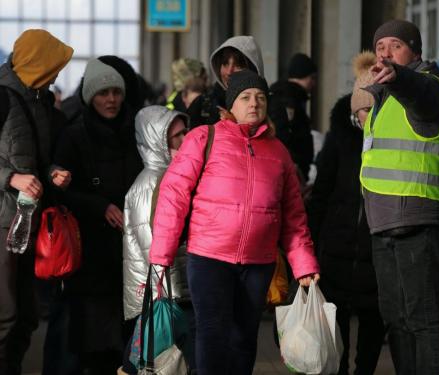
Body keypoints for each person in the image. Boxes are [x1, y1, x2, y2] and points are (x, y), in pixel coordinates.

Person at [149, 70, 320, 375]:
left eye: (260, 97)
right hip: (209, 258)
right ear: (230, 106)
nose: (254, 103)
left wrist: (304, 264)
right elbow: (173, 196)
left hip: (258, 263)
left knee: (243, 340)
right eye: (245, 97)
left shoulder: (279, 152)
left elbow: (294, 216)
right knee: (212, 336)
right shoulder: (204, 138)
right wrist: (161, 254)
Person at [361, 20, 439, 374]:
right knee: (396, 320)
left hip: (418, 220)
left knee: (423, 319)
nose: (385, 52)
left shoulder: (427, 85)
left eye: (395, 44)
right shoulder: (384, 98)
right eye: (380, 45)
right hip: (384, 223)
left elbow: (419, 94)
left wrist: (398, 76)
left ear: (414, 51)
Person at [53, 58, 143, 374]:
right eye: (103, 93)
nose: (111, 100)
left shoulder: (137, 130)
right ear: (91, 96)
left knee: (127, 335)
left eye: (116, 92)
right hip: (90, 254)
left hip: (130, 251)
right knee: (93, 343)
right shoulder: (74, 134)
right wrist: (99, 206)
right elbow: (61, 191)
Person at [0, 29, 73, 375]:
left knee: (27, 315)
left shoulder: (39, 100)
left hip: (26, 220)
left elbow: (36, 160)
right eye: (53, 65)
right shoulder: (2, 97)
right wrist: (10, 178)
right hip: (3, 222)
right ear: (35, 63)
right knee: (5, 315)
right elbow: (16, 168)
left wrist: (52, 171)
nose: (57, 73)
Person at [308, 51, 385, 375]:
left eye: (375, 109)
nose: (370, 116)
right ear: (355, 110)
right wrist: (310, 245)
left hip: (374, 244)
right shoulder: (340, 139)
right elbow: (322, 191)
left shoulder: (389, 138)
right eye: (365, 110)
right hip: (339, 246)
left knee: (372, 322)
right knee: (335, 321)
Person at [121, 105, 189, 374]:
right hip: (163, 293)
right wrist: (176, 293)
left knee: (150, 356)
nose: (186, 140)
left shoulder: (169, 176)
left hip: (165, 292)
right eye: (177, 137)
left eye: (186, 132)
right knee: (151, 358)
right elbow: (155, 247)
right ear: (157, 141)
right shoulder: (151, 183)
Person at [205, 35, 289, 133]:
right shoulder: (205, 104)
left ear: (254, 68)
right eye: (225, 63)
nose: (229, 71)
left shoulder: (273, 108)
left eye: (238, 65)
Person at [270, 53, 317, 182]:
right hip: (291, 173)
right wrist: (294, 165)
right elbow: (281, 136)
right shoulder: (287, 99)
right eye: (312, 78)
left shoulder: (291, 97)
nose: (314, 83)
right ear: (303, 76)